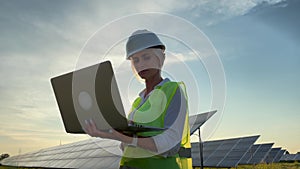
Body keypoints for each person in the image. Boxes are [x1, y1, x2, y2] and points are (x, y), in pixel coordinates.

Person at [84, 30, 192, 169]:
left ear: (160, 58)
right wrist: (106, 133)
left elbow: (170, 145)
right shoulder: (137, 102)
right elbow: (126, 146)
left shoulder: (172, 91)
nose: (140, 64)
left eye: (146, 57)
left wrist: (126, 138)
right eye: (135, 60)